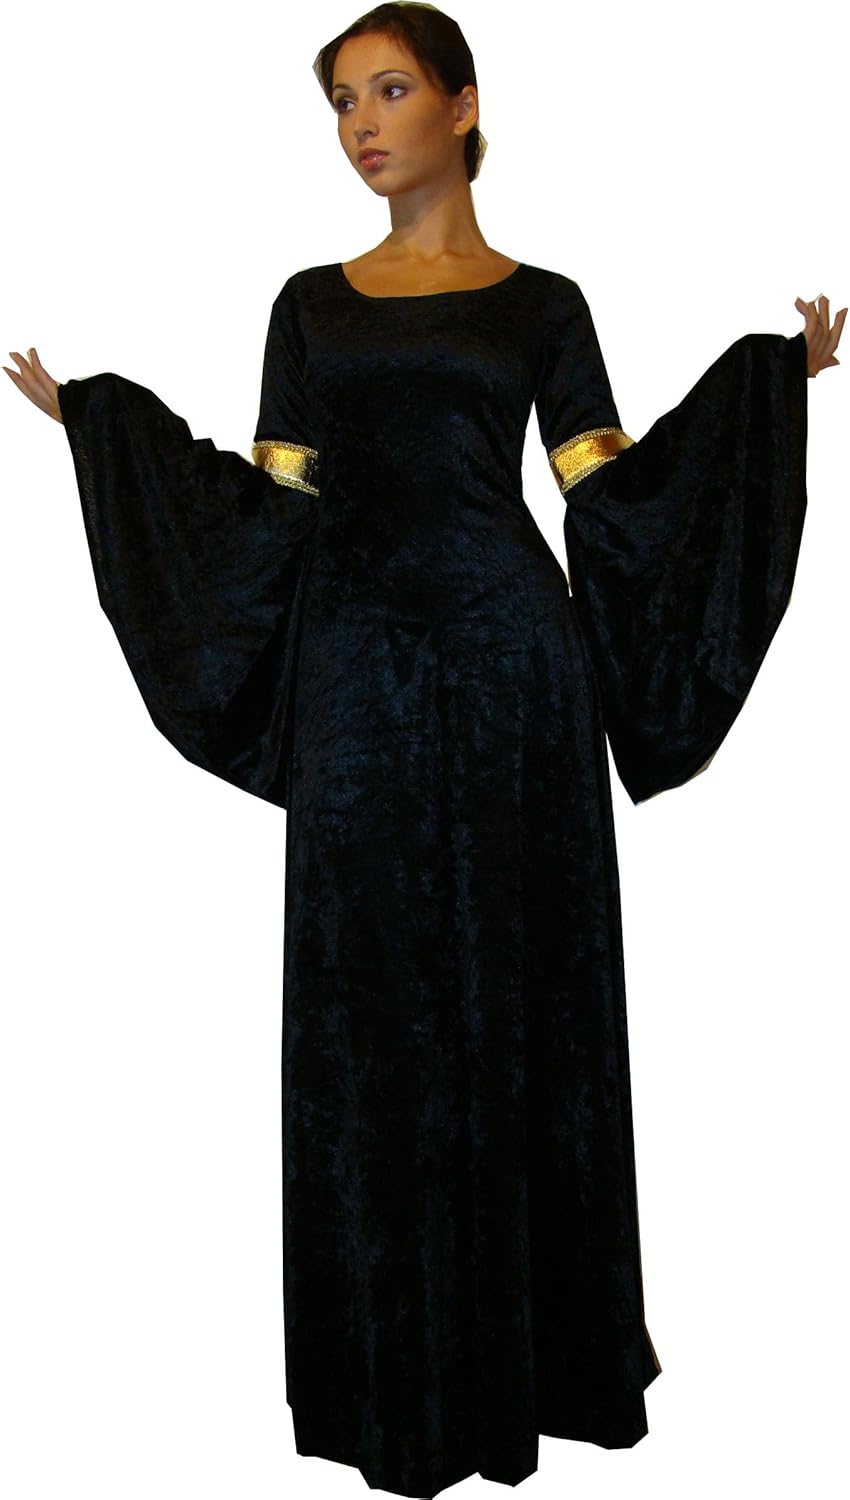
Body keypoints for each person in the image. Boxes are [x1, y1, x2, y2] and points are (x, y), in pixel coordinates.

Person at [4, 4, 845, 1498]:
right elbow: (272, 510)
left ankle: (540, 1366)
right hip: (354, 681)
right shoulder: (307, 306)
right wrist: (107, 432)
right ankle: (392, 1379)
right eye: (341, 101)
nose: (361, 125)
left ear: (462, 105)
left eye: (388, 90)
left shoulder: (545, 304)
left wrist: (766, 391)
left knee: (526, 992)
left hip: (516, 673)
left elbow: (612, 492)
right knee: (366, 1008)